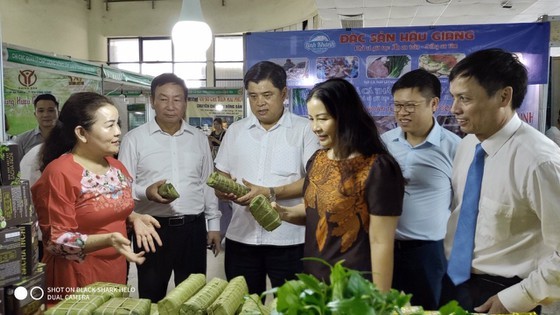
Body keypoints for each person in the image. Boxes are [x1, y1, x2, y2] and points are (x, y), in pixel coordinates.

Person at [442, 48, 560, 314]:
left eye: (465, 98)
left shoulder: (539, 161)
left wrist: (521, 297)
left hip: (506, 292)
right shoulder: (468, 144)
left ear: (504, 96)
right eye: (454, 97)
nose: (454, 109)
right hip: (456, 280)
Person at [273, 78, 405, 292]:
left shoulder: (377, 168)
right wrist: (283, 213)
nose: (315, 127)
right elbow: (318, 210)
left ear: (345, 117)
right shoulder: (317, 160)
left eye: (323, 119)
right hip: (315, 282)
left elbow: (382, 243)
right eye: (311, 119)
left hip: (354, 288)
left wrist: (381, 301)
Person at [31, 92, 161, 302]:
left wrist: (134, 217)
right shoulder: (59, 173)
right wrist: (107, 239)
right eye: (109, 126)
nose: (118, 132)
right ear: (82, 133)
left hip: (115, 268)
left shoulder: (116, 167)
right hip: (76, 275)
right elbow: (55, 241)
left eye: (117, 124)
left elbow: (109, 210)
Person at [213, 61, 320, 295]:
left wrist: (270, 192)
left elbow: (315, 181)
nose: (259, 103)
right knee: (243, 304)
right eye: (253, 96)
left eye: (267, 95)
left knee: (292, 307)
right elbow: (221, 174)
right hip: (241, 238)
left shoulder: (305, 130)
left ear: (284, 93)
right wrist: (225, 190)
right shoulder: (235, 131)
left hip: (290, 239)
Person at [118, 73, 222, 302]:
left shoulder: (197, 138)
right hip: (152, 229)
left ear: (185, 102)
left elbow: (207, 182)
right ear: (152, 101)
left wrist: (213, 225)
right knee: (151, 295)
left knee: (193, 297)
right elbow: (122, 186)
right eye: (163, 99)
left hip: (193, 229)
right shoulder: (134, 139)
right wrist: (146, 191)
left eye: (177, 99)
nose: (170, 106)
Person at [380, 69, 460, 308]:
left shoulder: (454, 147)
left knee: (427, 309)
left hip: (428, 252)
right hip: (385, 247)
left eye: (410, 106)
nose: (402, 113)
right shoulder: (384, 143)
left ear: (434, 103)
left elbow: (461, 204)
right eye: (397, 106)